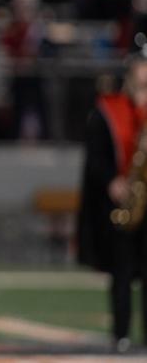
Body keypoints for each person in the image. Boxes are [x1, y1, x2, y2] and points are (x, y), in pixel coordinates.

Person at [78, 52, 147, 353]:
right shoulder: (107, 109)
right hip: (122, 203)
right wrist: (112, 181)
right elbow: (95, 157)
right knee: (121, 273)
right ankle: (120, 334)